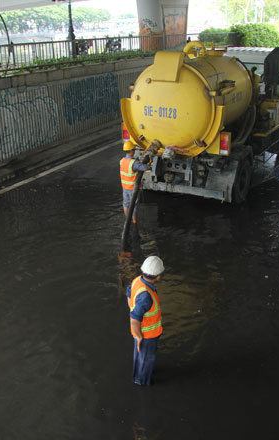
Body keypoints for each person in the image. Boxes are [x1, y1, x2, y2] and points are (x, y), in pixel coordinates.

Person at [127, 255, 165, 386]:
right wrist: (139, 337)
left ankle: (139, 376)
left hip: (141, 332)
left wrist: (133, 308)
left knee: (140, 357)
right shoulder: (146, 296)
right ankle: (141, 382)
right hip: (146, 336)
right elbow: (135, 319)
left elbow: (129, 294)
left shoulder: (137, 280)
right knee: (146, 360)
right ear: (158, 276)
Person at [120, 140, 151, 224]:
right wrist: (150, 166)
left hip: (125, 187)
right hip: (132, 189)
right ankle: (134, 221)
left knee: (125, 203)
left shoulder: (122, 161)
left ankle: (127, 219)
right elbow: (144, 168)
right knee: (133, 205)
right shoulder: (134, 163)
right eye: (134, 149)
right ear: (132, 151)